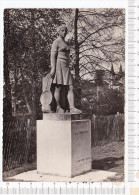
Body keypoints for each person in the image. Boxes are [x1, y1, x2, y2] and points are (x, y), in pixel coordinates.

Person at [50, 24, 82, 114]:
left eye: (65, 31)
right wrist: (53, 68)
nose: (64, 32)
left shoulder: (66, 43)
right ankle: (58, 107)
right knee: (58, 87)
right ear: (58, 31)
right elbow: (52, 55)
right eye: (62, 30)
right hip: (58, 65)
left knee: (70, 87)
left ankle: (72, 107)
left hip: (66, 66)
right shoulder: (56, 42)